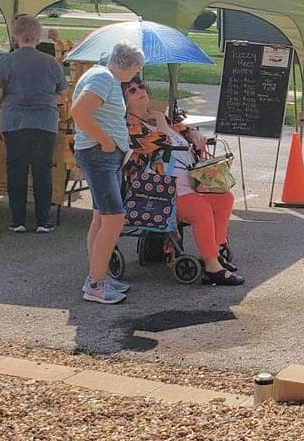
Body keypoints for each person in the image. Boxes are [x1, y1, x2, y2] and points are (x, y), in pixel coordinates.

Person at [121, 75, 243, 285]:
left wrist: (194, 134)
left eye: (141, 86)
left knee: (225, 198)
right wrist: (160, 119)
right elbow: (159, 142)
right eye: (132, 90)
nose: (140, 91)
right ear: (123, 99)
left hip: (190, 183)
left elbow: (184, 130)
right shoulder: (129, 125)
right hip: (158, 192)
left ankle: (216, 250)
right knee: (200, 210)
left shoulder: (162, 119)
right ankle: (213, 268)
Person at [73, 41, 144, 305]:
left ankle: (98, 275)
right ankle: (95, 284)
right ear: (132, 65)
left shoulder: (101, 76)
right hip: (99, 154)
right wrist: (105, 141)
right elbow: (79, 112)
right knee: (114, 220)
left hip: (104, 155)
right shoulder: (103, 77)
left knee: (101, 220)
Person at [0, 15, 67, 233]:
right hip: (44, 121)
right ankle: (43, 220)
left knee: (16, 170)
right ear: (38, 36)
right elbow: (62, 90)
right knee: (42, 170)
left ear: (15, 36)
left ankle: (18, 220)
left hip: (14, 121)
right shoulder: (49, 61)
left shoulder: (5, 61)